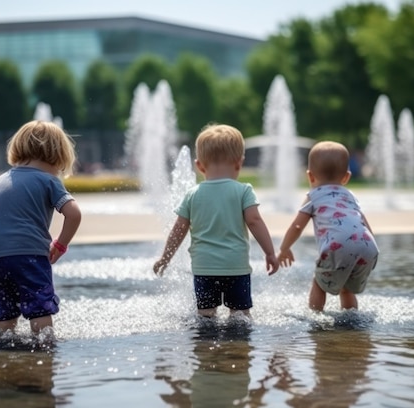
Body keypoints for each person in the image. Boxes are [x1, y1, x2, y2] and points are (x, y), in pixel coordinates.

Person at [153, 123, 279, 319]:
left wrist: (165, 257)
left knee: (205, 316)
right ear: (240, 163)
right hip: (236, 267)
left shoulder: (192, 194)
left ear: (199, 165)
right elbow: (254, 221)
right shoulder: (243, 190)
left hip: (204, 268)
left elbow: (179, 229)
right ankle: (239, 348)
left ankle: (206, 348)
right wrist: (270, 252)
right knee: (240, 316)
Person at [0, 120, 82, 337]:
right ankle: (45, 351)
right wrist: (60, 244)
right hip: (30, 254)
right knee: (39, 308)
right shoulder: (49, 181)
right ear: (59, 154)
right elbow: (74, 214)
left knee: (5, 312)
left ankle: (3, 351)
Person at [277, 141, 378, 311]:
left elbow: (297, 227)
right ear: (346, 177)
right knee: (346, 289)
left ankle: (316, 319)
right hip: (369, 246)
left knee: (318, 282)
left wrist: (284, 248)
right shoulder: (350, 196)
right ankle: (351, 322)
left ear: (310, 176)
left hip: (338, 246)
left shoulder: (314, 196)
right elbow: (364, 222)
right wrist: (370, 245)